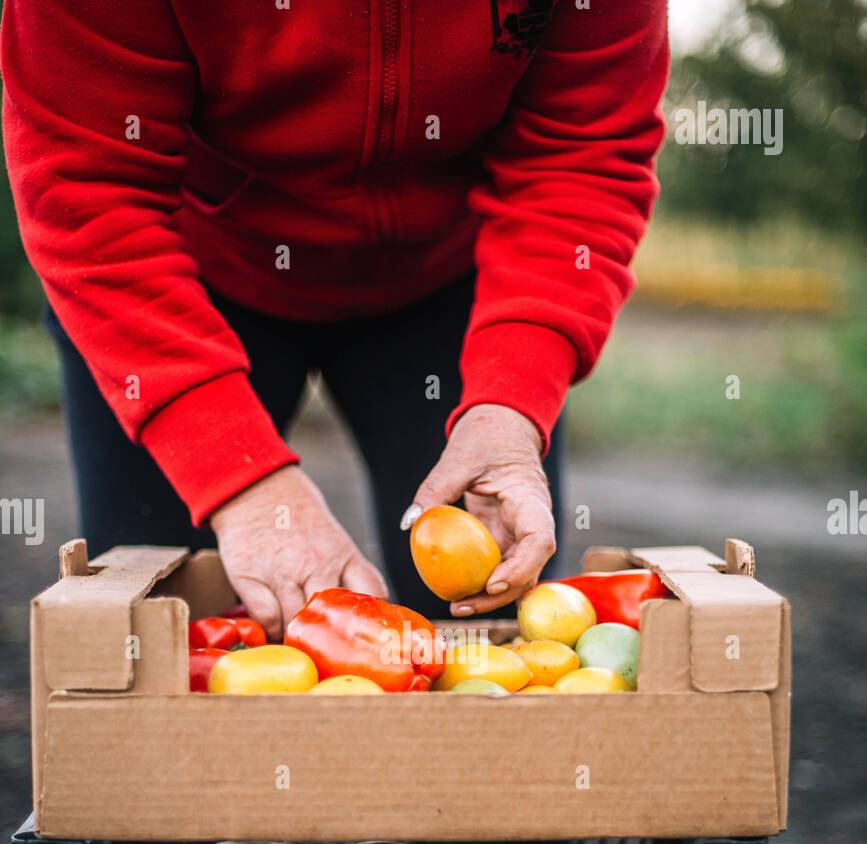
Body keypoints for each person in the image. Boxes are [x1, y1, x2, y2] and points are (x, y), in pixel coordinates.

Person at [2, 1, 668, 632]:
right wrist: (235, 475)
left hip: (452, 287)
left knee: (487, 618)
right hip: (182, 285)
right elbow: (86, 189)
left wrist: (511, 401)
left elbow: (583, 155)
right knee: (154, 621)